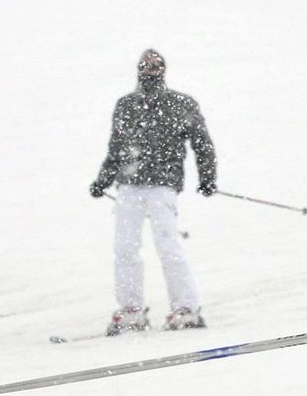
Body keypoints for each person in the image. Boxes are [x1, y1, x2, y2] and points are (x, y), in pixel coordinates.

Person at [88, 49, 217, 335]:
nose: (150, 70)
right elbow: (117, 149)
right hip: (129, 186)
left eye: (155, 66)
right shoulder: (126, 105)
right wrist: (103, 180)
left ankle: (186, 307)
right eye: (145, 66)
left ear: (163, 70)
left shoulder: (180, 104)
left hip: (162, 184)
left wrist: (208, 177)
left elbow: (202, 143)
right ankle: (131, 309)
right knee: (125, 247)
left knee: (167, 244)